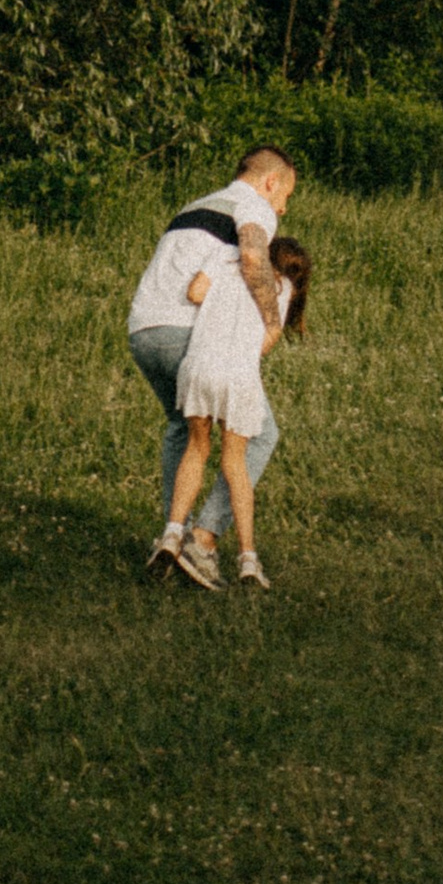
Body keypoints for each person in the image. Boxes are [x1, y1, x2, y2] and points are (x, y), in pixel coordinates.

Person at [126, 147, 298, 592]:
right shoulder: (253, 205)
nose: (283, 209)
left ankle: (173, 538)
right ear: (270, 183)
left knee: (182, 429)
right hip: (188, 334)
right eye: (286, 196)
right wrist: (272, 321)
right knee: (259, 434)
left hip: (143, 331)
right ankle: (202, 542)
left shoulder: (196, 205)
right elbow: (254, 257)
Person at [152, 236, 310, 593]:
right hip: (238, 376)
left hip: (200, 366)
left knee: (196, 448)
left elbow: (195, 292)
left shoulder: (225, 259)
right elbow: (266, 342)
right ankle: (248, 559)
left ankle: (172, 535)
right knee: (235, 464)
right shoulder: (282, 289)